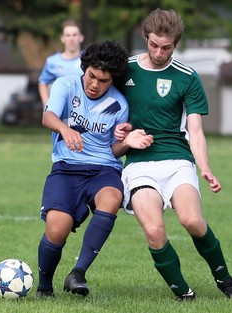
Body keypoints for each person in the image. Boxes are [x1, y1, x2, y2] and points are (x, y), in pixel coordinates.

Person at [115, 8, 232, 301]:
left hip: (177, 160)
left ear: (176, 44)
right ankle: (183, 294)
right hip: (139, 164)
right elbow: (98, 97)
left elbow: (196, 130)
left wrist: (205, 168)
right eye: (153, 45)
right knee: (154, 230)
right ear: (145, 38)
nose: (159, 52)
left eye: (166, 47)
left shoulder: (187, 77)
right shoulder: (124, 69)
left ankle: (225, 280)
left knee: (193, 222)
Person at [36, 40, 153, 298]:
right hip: (66, 169)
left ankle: (78, 273)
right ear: (84, 68)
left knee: (111, 199)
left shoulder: (119, 104)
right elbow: (48, 117)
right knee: (57, 229)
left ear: (112, 80)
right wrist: (65, 130)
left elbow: (112, 149)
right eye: (91, 76)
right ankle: (44, 288)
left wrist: (127, 143)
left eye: (103, 80)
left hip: (104, 170)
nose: (94, 84)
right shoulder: (65, 85)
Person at [38, 19, 84, 107]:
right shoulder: (52, 61)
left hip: (84, 113)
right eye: (68, 35)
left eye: (74, 35)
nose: (71, 39)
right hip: (61, 111)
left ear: (81, 37)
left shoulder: (89, 59)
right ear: (62, 38)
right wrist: (47, 104)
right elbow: (42, 82)